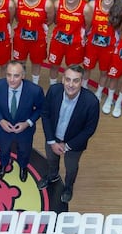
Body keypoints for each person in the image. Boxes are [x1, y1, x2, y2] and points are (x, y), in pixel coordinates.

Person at [38, 64, 100, 203]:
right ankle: (52, 176)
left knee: (71, 168)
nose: (71, 84)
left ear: (82, 82)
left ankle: (68, 187)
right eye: (68, 79)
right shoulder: (54, 91)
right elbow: (45, 114)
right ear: (63, 80)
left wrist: (67, 146)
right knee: (52, 160)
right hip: (53, 139)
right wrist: (51, 141)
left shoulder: (92, 102)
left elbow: (89, 129)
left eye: (76, 80)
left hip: (74, 145)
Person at [0, 60, 44, 182]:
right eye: (9, 75)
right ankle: (3, 164)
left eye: (16, 75)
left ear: (23, 76)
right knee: (3, 149)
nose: (12, 79)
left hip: (25, 131)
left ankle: (23, 166)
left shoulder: (35, 90)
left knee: (24, 150)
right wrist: (0, 120)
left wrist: (28, 123)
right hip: (3, 129)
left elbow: (41, 108)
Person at [82, 0, 122, 100]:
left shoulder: (120, 9)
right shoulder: (93, 4)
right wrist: (84, 35)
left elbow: (121, 30)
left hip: (108, 48)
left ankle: (99, 92)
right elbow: (87, 24)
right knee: (87, 68)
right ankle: (84, 87)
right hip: (92, 45)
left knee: (104, 72)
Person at [13, 0, 55, 85]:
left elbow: (50, 20)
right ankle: (21, 83)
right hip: (20, 39)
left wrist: (41, 27)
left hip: (38, 40)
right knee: (20, 62)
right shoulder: (17, 0)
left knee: (36, 63)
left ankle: (34, 85)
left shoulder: (47, 3)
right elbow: (16, 17)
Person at [48, 0, 91, 85]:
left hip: (75, 44)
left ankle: (69, 87)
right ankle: (53, 86)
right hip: (58, 41)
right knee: (54, 65)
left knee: (73, 69)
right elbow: (55, 21)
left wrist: (82, 36)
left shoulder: (85, 7)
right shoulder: (58, 4)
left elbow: (88, 25)